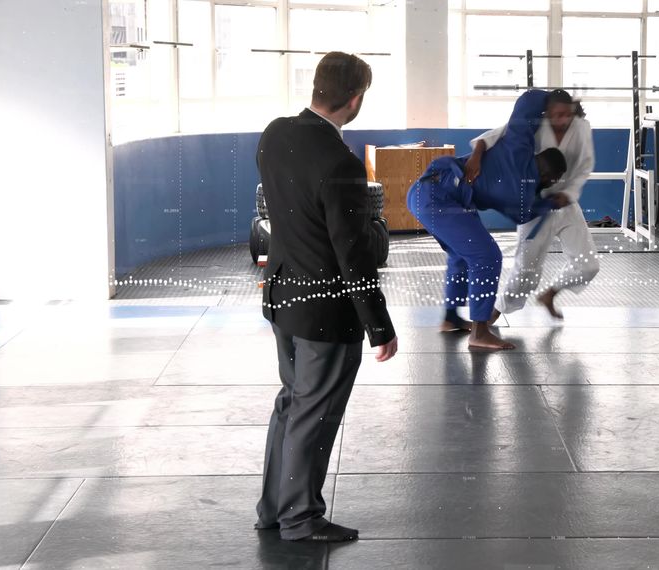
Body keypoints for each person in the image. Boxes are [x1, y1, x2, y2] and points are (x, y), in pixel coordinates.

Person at [254, 51, 398, 543]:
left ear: (315, 87)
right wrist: (380, 327)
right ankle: (300, 519)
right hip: (325, 311)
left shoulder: (274, 135)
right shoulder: (341, 163)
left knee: (292, 404)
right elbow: (354, 255)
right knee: (314, 415)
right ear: (355, 99)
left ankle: (274, 509)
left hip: (282, 297)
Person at [407, 89, 567, 350]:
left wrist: (554, 100)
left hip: (429, 192)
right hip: (438, 199)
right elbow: (523, 214)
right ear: (552, 179)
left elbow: (526, 102)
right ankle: (480, 331)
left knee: (462, 255)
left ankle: (450, 318)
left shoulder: (519, 147)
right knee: (487, 256)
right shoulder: (525, 197)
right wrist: (551, 202)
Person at [465, 89, 599, 322]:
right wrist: (476, 154)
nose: (562, 121)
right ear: (547, 113)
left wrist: (569, 194)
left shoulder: (581, 129)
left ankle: (550, 294)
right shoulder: (535, 126)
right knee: (526, 271)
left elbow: (585, 165)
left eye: (566, 115)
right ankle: (491, 315)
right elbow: (498, 134)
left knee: (588, 265)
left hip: (565, 203)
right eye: (556, 115)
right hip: (534, 204)